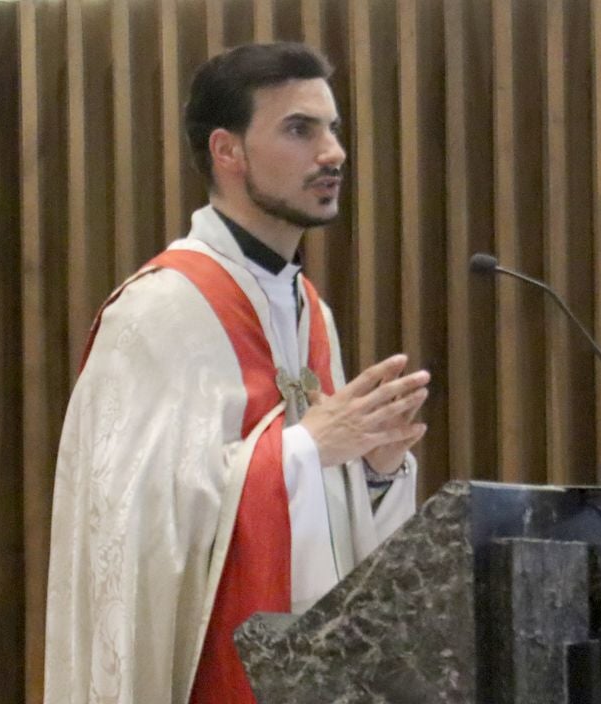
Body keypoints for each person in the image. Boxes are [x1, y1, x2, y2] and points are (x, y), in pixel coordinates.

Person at [43, 42, 430, 704]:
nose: (333, 152)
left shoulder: (309, 310)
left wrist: (371, 472)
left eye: (332, 128)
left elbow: (316, 531)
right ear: (228, 152)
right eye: (299, 129)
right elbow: (135, 530)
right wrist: (307, 449)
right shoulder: (159, 310)